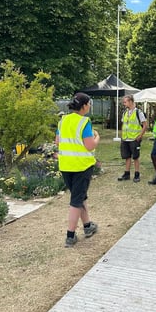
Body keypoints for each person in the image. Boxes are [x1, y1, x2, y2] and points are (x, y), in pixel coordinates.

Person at [55, 92, 100, 247]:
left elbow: (58, 142)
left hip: (66, 166)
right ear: (84, 106)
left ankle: (88, 226)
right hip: (81, 166)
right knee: (76, 201)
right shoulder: (84, 122)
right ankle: (70, 235)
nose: (90, 107)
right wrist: (97, 137)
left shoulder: (63, 121)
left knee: (80, 197)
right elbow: (90, 146)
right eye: (89, 104)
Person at [117, 94, 148, 183]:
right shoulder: (125, 113)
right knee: (127, 156)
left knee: (135, 157)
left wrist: (140, 136)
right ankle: (126, 174)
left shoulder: (139, 112)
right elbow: (124, 124)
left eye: (125, 102)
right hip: (125, 138)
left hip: (134, 139)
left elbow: (145, 125)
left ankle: (137, 174)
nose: (124, 104)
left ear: (131, 101)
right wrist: (122, 135)